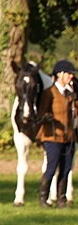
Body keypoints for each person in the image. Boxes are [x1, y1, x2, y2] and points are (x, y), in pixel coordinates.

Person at [36, 59, 75, 208]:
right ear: (60, 74)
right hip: (52, 136)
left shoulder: (71, 94)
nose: (71, 77)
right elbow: (41, 113)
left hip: (68, 137)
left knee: (66, 168)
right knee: (52, 167)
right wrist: (47, 116)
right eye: (69, 74)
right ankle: (43, 198)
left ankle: (61, 199)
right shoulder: (49, 93)